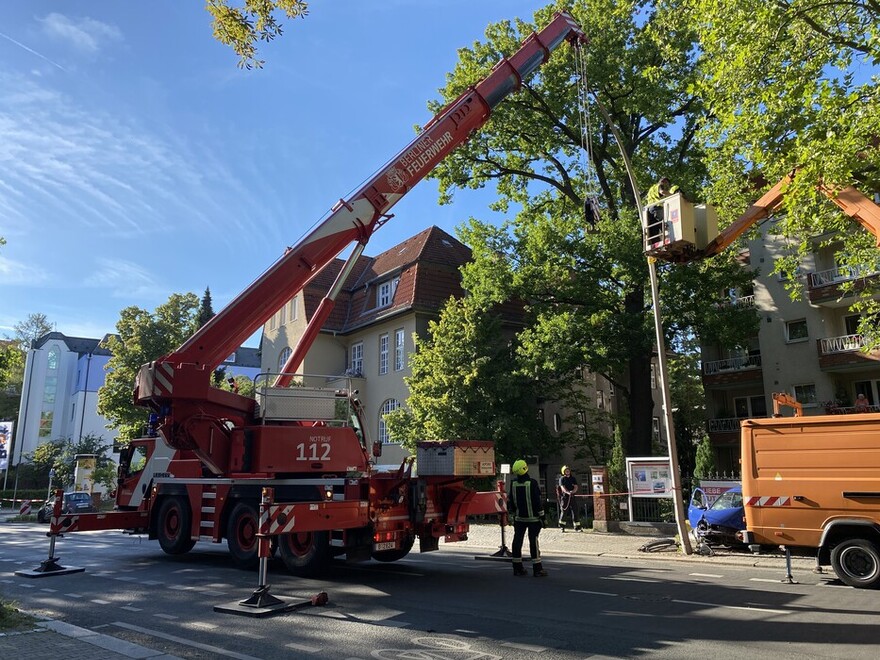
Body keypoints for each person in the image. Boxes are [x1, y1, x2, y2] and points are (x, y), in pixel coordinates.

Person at [508, 459, 548, 577]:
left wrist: (513, 515)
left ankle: (517, 568)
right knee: (533, 542)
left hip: (519, 518)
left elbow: (511, 501)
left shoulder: (513, 483)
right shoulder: (532, 483)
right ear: (525, 468)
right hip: (533, 519)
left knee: (517, 541)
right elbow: (537, 502)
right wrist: (543, 517)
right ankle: (537, 569)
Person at [645, 177, 680, 243]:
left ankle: (656, 242)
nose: (666, 186)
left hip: (650, 210)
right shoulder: (659, 186)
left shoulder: (652, 188)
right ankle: (670, 239)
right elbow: (662, 192)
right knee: (665, 224)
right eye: (666, 184)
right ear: (663, 181)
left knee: (655, 228)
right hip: (657, 207)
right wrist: (673, 196)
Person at [556, 465, 581, 531]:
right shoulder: (562, 479)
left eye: (568, 470)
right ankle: (562, 526)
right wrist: (568, 492)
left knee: (575, 511)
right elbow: (562, 488)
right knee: (564, 511)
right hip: (565, 498)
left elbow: (576, 487)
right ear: (563, 471)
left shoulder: (573, 478)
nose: (567, 471)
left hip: (572, 497)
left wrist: (573, 492)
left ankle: (577, 527)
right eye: (566, 470)